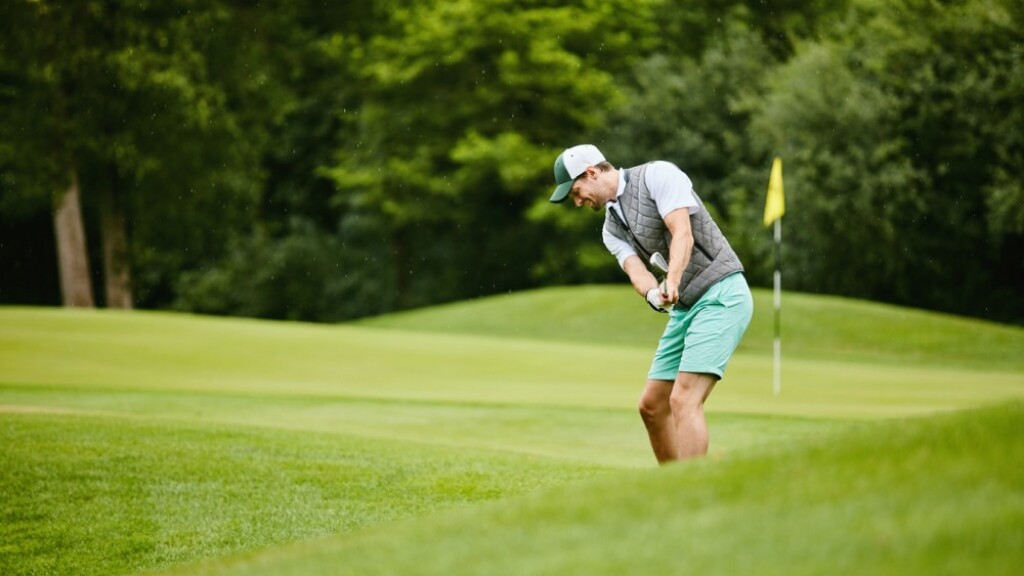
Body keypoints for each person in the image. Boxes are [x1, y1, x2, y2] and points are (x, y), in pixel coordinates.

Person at [549, 144, 753, 463]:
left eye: (575, 192)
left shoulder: (658, 175)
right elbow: (636, 270)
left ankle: (693, 491)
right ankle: (672, 490)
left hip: (721, 294)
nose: (576, 202)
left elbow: (681, 232)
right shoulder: (610, 228)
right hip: (686, 309)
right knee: (652, 406)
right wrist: (652, 294)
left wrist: (672, 280)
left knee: (683, 400)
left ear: (590, 173)